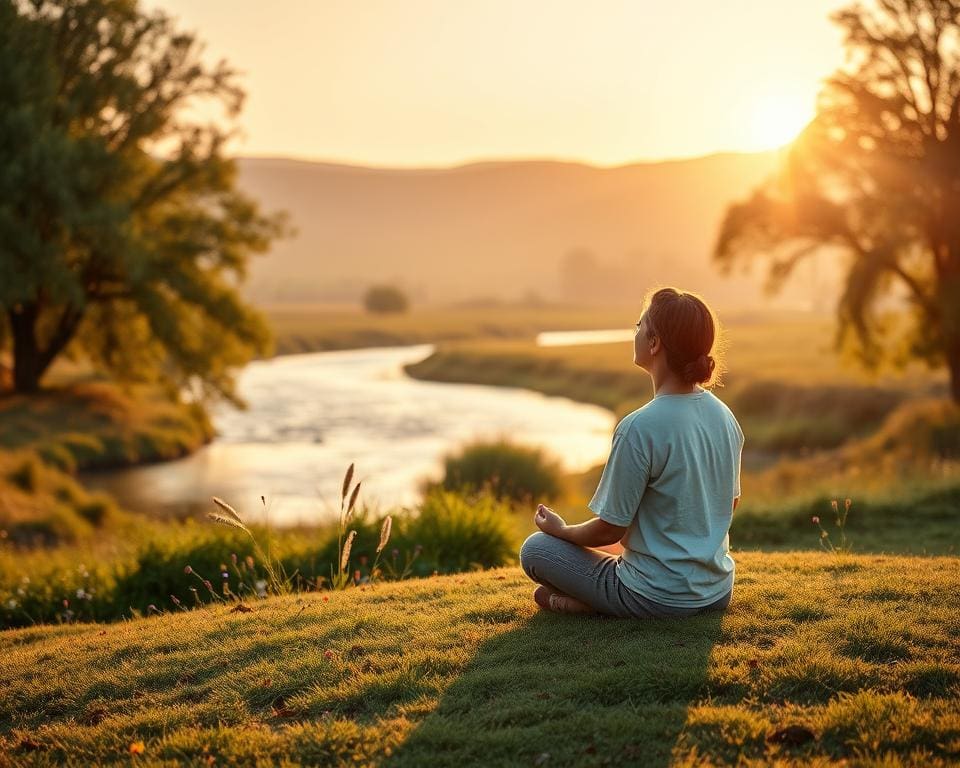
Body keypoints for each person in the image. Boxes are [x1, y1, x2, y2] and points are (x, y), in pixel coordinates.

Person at [519, 287, 743, 618]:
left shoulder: (639, 427)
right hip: (716, 592)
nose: (635, 331)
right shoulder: (724, 415)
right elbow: (730, 503)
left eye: (639, 325)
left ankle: (587, 604)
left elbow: (610, 529)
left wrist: (561, 531)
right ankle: (592, 599)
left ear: (654, 344)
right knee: (611, 550)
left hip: (657, 597)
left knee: (536, 549)